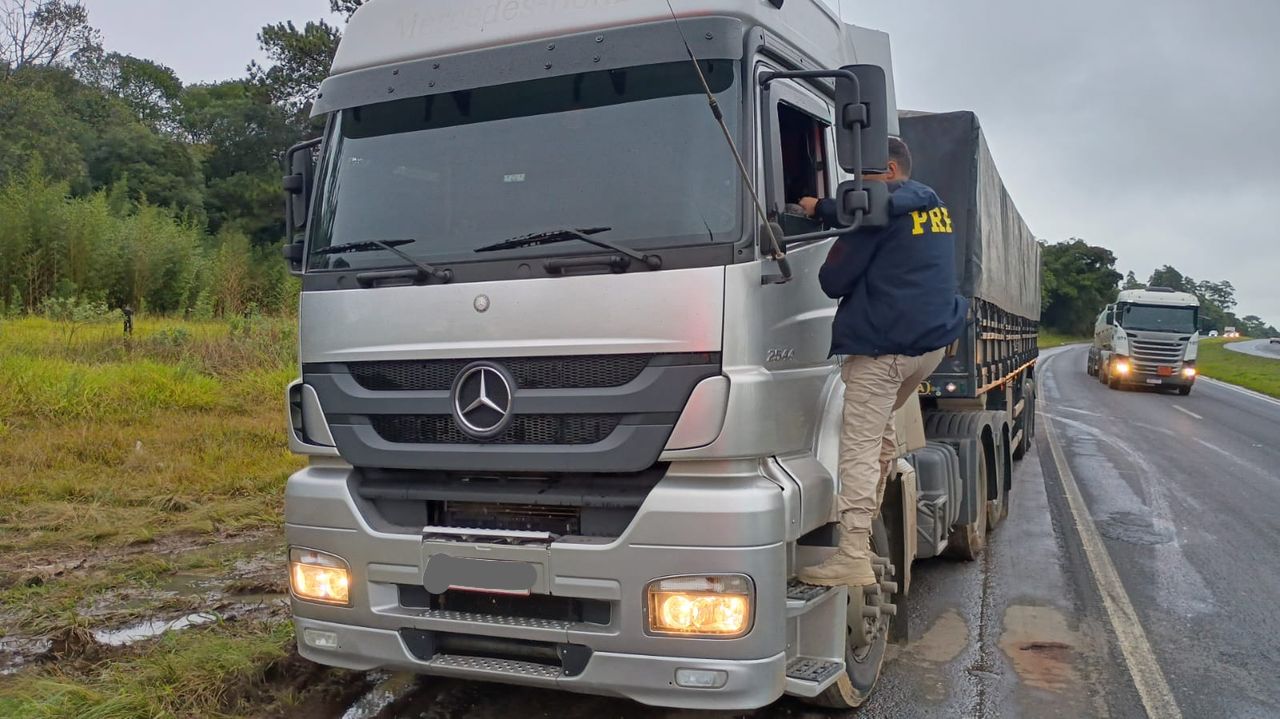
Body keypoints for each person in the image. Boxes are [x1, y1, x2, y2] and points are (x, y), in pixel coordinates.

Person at [796, 137, 969, 588]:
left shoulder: (879, 211)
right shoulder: (932, 205)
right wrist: (828, 209)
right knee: (881, 437)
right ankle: (867, 524)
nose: (855, 189)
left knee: (857, 443)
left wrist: (821, 214)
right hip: (928, 349)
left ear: (889, 171)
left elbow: (833, 280)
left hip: (885, 349)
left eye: (862, 179)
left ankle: (852, 551)